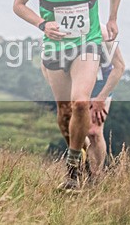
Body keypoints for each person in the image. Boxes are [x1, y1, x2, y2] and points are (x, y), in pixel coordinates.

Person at [13, 0, 123, 192]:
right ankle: (81, 157)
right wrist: (42, 24)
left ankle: (72, 169)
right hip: (55, 48)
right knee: (64, 115)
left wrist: (112, 17)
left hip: (87, 45)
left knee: (81, 103)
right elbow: (18, 4)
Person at [42, 24, 125, 179]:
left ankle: (95, 176)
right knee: (75, 129)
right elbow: (45, 64)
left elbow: (119, 67)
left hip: (101, 84)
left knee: (94, 132)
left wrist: (101, 97)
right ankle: (81, 163)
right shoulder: (60, 27)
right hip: (75, 83)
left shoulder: (101, 32)